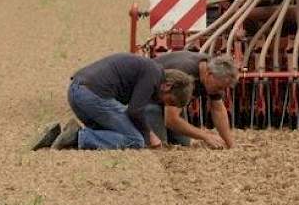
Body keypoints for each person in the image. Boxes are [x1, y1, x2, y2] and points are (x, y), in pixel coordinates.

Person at [31, 53, 193, 150]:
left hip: (76, 92)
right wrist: (150, 136)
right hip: (91, 96)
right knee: (135, 141)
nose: (165, 104)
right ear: (168, 86)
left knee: (116, 134)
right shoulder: (153, 75)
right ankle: (78, 136)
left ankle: (56, 135)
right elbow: (134, 111)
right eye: (169, 101)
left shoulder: (150, 70)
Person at [153, 51, 239, 149]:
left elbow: (218, 110)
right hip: (150, 100)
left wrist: (231, 145)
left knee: (183, 144)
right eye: (219, 87)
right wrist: (205, 136)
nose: (220, 91)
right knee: (159, 145)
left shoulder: (214, 74)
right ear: (209, 74)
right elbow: (171, 119)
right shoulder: (184, 73)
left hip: (171, 104)